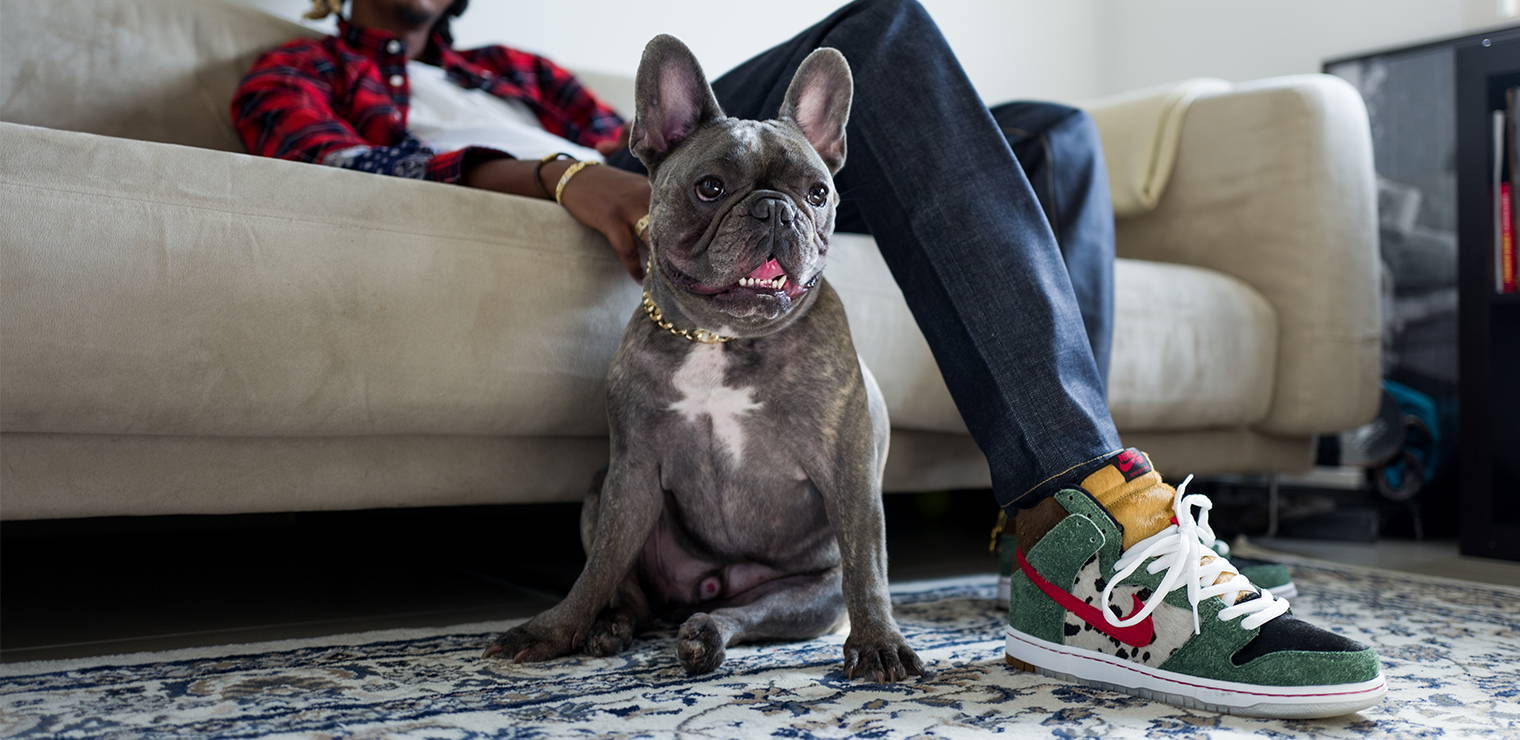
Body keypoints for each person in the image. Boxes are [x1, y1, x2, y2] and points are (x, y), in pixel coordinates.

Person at [231, 0, 1384, 715]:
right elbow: (340, 165)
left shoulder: (513, 67)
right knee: (886, 24)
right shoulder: (297, 73)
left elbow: (655, 130)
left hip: (694, 178)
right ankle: (1078, 520)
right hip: (618, 187)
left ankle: (1079, 499)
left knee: (1060, 137)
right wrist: (564, 176)